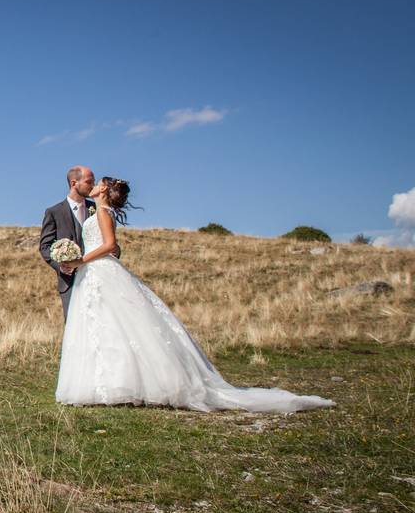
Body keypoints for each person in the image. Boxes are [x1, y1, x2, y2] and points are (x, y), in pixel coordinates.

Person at [55, 176, 335, 413]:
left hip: (100, 270)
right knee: (105, 326)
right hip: (94, 273)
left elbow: (110, 245)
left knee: (118, 325)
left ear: (103, 189)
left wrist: (80, 260)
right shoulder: (99, 212)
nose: (93, 185)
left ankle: (126, 384)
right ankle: (104, 383)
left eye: (97, 182)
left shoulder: (102, 213)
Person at [39, 166, 119, 320]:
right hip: (69, 282)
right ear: (74, 183)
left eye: (94, 181)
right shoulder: (54, 212)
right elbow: (45, 246)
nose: (93, 185)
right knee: (75, 328)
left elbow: (110, 241)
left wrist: (115, 251)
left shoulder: (98, 207)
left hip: (99, 277)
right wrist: (61, 265)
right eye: (89, 181)